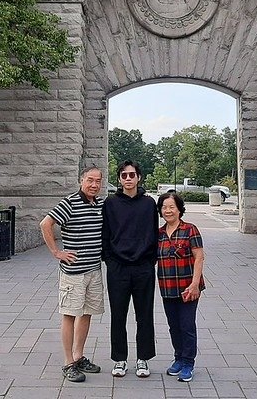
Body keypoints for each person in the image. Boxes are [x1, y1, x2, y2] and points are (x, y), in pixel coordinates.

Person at [40, 166, 105, 383]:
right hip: (74, 273)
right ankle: (68, 362)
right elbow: (46, 223)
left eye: (98, 181)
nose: (94, 185)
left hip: (94, 271)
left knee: (86, 313)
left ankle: (78, 356)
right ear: (81, 181)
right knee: (69, 314)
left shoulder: (100, 203)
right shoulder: (69, 202)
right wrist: (56, 252)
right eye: (90, 180)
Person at [102, 160, 158, 378]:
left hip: (143, 267)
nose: (128, 179)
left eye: (131, 175)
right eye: (124, 175)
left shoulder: (148, 204)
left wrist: (150, 259)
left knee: (144, 315)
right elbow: (105, 234)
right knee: (118, 315)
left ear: (139, 177)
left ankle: (143, 358)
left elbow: (153, 232)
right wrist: (109, 259)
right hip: (118, 268)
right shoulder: (111, 203)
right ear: (119, 179)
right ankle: (119, 359)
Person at [156, 191, 205, 383]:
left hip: (188, 287)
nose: (168, 211)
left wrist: (195, 285)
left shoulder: (190, 229)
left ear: (179, 209)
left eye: (171, 207)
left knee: (187, 326)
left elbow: (199, 257)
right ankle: (178, 358)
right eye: (164, 207)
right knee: (173, 326)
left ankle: (188, 363)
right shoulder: (158, 234)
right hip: (167, 287)